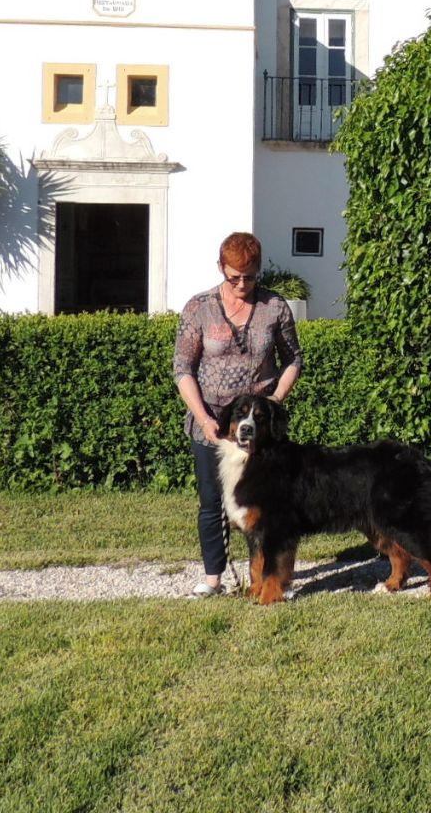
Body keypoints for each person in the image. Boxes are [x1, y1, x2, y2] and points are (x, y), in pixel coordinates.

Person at [173, 232, 302, 596]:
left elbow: (294, 358)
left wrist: (276, 399)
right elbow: (182, 367)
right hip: (215, 424)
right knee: (213, 501)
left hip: (261, 426)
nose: (242, 284)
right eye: (234, 277)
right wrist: (203, 418)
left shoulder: (274, 307)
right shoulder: (199, 307)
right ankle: (214, 578)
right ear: (221, 268)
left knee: (273, 504)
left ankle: (274, 578)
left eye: (249, 276)